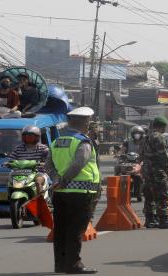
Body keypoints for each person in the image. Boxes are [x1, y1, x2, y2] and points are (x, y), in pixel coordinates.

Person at [45, 106, 100, 274]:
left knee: (61, 230)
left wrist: (57, 180)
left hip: (60, 194)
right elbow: (79, 163)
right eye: (88, 121)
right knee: (75, 230)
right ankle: (74, 264)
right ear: (84, 123)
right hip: (80, 194)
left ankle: (60, 265)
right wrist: (65, 180)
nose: (89, 124)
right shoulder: (82, 141)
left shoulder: (56, 142)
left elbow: (49, 165)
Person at [142, 116, 168, 229]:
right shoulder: (159, 137)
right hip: (158, 171)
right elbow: (163, 155)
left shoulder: (146, 137)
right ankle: (163, 221)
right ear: (161, 127)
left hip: (147, 171)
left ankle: (150, 220)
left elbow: (142, 154)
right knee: (162, 196)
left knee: (149, 196)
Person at [9, 125, 49, 196]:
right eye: (25, 136)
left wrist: (43, 163)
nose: (28, 137)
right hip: (21, 173)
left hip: (38, 172)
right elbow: (12, 159)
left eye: (30, 136)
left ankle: (41, 200)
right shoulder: (18, 148)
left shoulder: (43, 148)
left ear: (37, 137)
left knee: (38, 182)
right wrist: (9, 163)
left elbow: (48, 160)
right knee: (10, 180)